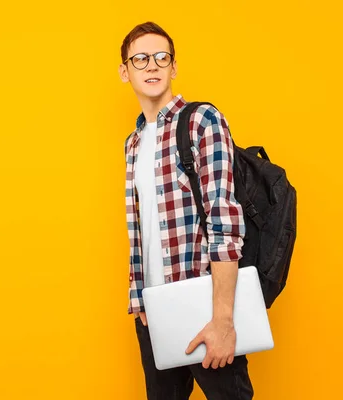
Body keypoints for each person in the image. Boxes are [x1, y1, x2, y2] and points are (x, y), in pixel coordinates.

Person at [119, 21, 254, 400]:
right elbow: (139, 229)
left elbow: (224, 221)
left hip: (203, 306)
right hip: (154, 311)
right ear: (124, 71)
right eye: (140, 58)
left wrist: (224, 320)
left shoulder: (200, 121)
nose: (152, 65)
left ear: (174, 67)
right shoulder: (132, 143)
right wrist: (138, 300)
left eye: (162, 57)